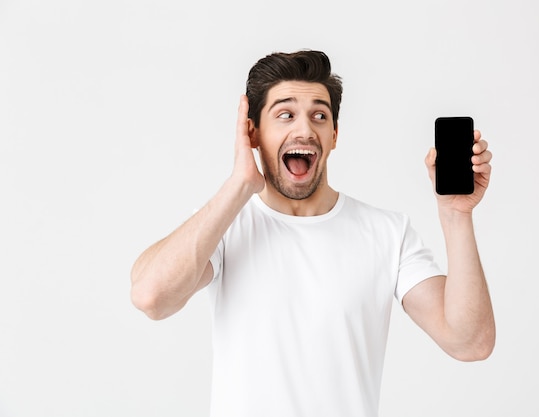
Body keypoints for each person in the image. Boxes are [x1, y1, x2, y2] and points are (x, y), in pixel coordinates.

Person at [130, 49, 495, 417]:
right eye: (285, 114)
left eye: (319, 116)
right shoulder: (224, 226)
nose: (304, 129)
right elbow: (151, 297)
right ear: (253, 132)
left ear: (334, 135)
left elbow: (470, 342)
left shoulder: (387, 233)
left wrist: (455, 214)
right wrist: (239, 184)